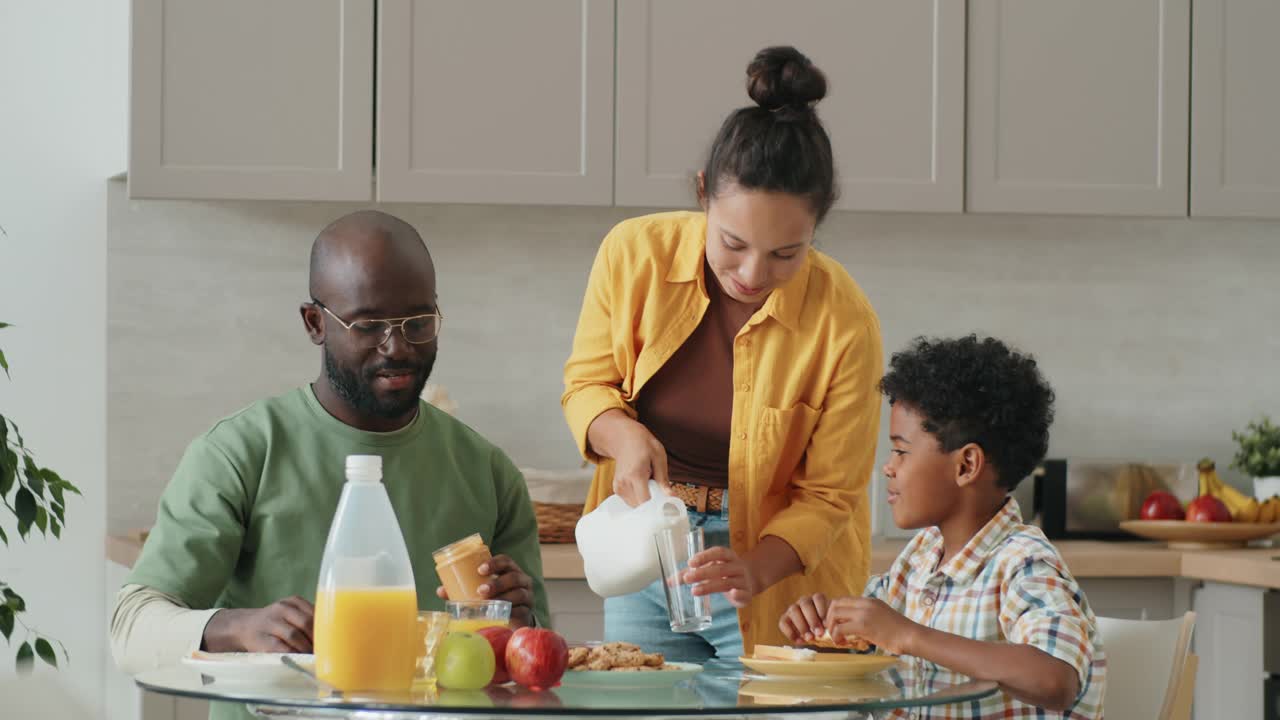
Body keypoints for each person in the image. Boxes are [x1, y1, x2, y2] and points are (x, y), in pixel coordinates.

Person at [111, 211, 549, 716]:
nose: (398, 347)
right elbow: (130, 629)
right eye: (368, 325)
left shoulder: (487, 470)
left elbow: (541, 669)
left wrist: (522, 622)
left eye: (418, 322)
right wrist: (235, 627)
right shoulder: (239, 453)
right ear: (315, 323)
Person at [562, 46, 883, 660]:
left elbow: (831, 495)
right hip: (647, 545)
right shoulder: (633, 255)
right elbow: (586, 385)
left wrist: (753, 569)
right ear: (704, 194)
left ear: (817, 227)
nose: (752, 273)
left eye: (787, 253)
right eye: (733, 243)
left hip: (787, 581)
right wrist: (624, 438)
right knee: (643, 708)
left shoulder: (846, 321)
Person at [780, 336, 1105, 718]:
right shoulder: (918, 559)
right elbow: (870, 637)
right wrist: (826, 630)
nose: (889, 466)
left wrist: (908, 635)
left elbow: (1056, 680)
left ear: (966, 465)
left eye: (901, 450)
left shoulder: (1023, 562)